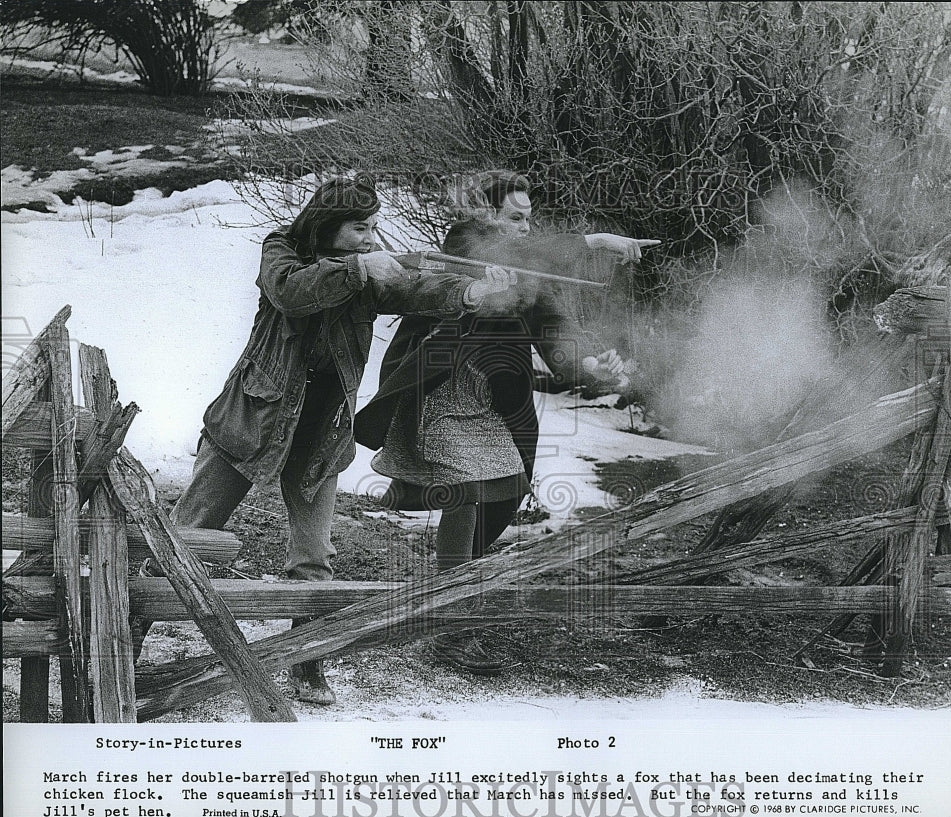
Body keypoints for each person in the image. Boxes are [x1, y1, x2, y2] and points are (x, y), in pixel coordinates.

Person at [132, 175, 515, 704]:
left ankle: (306, 663)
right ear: (327, 225)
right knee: (185, 540)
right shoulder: (280, 250)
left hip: (321, 435)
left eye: (374, 227)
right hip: (250, 426)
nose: (370, 237)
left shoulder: (368, 270)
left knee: (313, 560)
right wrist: (360, 267)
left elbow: (416, 289)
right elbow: (293, 293)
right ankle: (125, 639)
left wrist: (471, 292)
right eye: (360, 227)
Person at [353, 172, 659, 675]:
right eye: (515, 218)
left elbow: (551, 329)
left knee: (506, 488)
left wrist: (586, 365)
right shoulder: (465, 243)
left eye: (529, 220)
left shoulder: (530, 266)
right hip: (442, 385)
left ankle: (450, 591)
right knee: (471, 489)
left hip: (494, 396)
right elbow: (519, 255)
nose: (524, 228)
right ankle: (451, 624)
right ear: (486, 216)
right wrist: (595, 241)